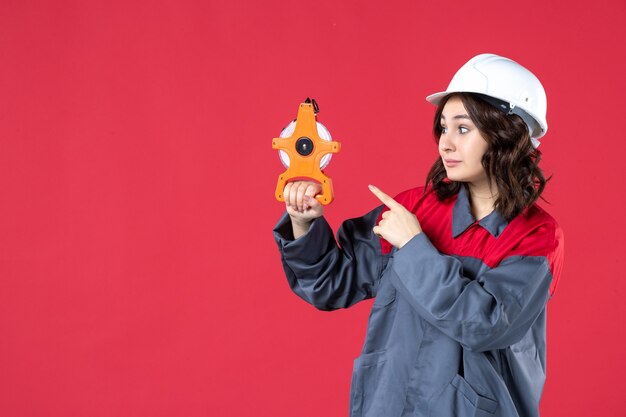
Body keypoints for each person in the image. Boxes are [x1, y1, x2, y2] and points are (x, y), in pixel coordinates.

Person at [272, 53, 564, 417]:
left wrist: (413, 247)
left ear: (509, 134)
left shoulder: (535, 236)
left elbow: (485, 324)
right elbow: (332, 282)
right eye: (443, 128)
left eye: (462, 128)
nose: (445, 144)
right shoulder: (414, 209)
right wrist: (304, 224)